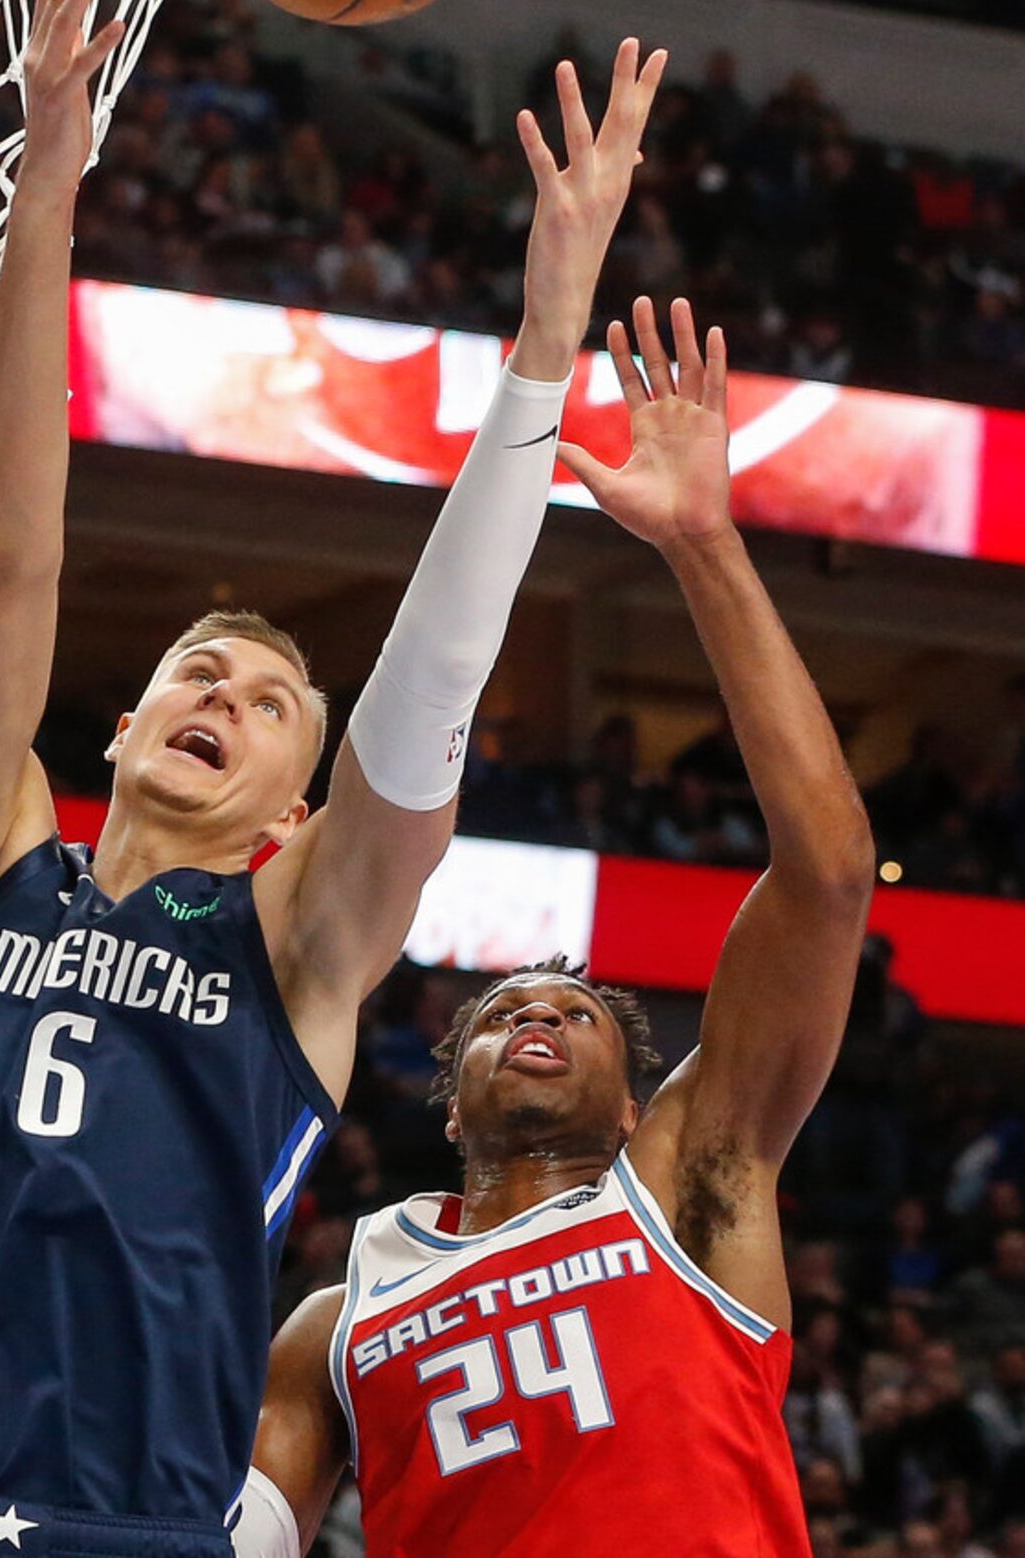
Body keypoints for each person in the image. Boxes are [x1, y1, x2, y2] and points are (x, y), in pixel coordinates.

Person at [0, 0, 666, 1558]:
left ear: (286, 807)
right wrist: (41, 187)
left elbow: (424, 704)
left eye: (268, 707)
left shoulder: (292, 940)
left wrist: (541, 355)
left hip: (135, 1530)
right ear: (118, 727)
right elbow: (1, 566)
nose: (220, 701)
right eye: (198, 673)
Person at [235, 298, 876, 1558]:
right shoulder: (336, 1320)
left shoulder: (691, 1182)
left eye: (574, 1013)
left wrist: (703, 544)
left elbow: (828, 872)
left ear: (636, 1108)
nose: (535, 1011)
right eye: (501, 1013)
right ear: (452, 1107)